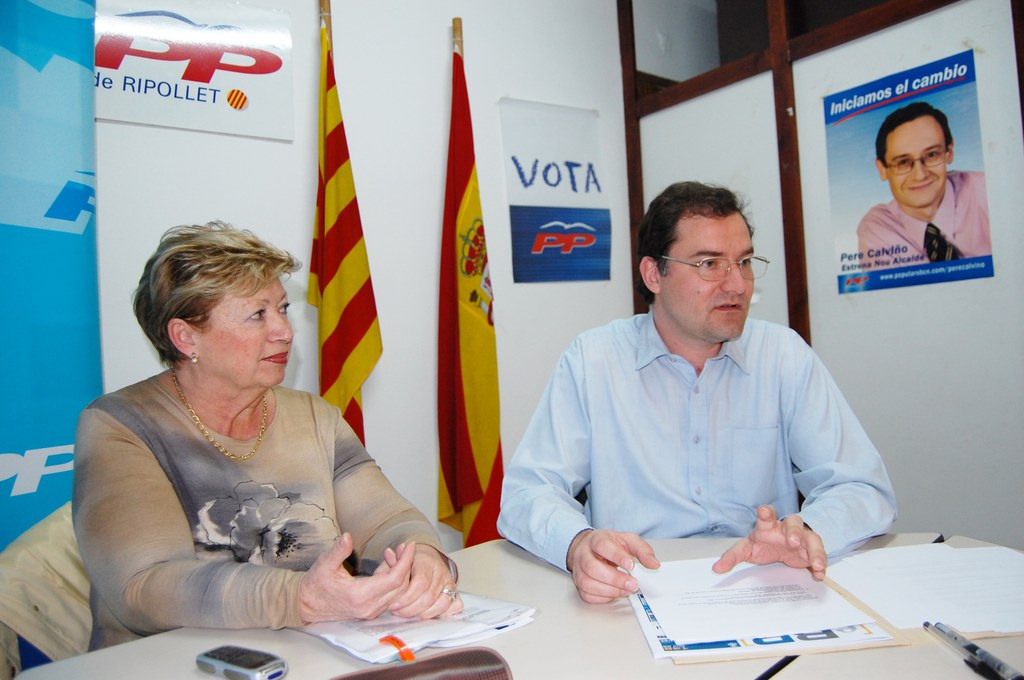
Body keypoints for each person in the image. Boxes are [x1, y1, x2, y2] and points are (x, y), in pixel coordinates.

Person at [497, 181, 897, 604]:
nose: (737, 285)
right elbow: (527, 493)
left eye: (744, 262)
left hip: (763, 585)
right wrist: (578, 544)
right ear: (654, 274)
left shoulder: (783, 356)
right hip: (635, 589)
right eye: (710, 264)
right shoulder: (592, 362)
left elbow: (862, 487)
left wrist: (805, 533)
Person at [73, 222, 462, 650]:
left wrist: (421, 558)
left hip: (315, 654)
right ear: (185, 337)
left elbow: (387, 519)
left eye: (282, 309)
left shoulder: (314, 417)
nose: (285, 332)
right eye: (257, 315)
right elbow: (145, 586)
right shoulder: (120, 425)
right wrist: (300, 599)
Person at [857, 101, 990, 269]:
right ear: (882, 170)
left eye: (932, 154)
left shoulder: (988, 193)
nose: (920, 175)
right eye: (903, 162)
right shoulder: (878, 227)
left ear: (949, 152)